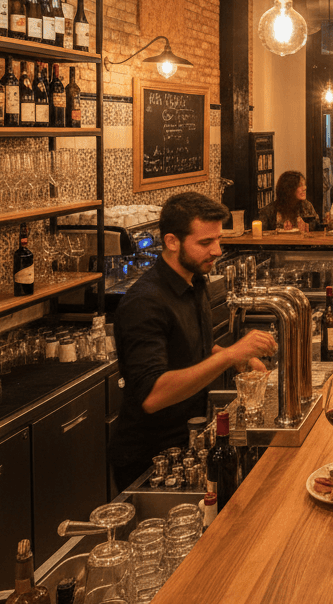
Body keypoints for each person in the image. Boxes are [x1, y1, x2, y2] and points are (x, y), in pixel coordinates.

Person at [109, 193, 276, 490]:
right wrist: (229, 355)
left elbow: (193, 348)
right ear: (172, 241)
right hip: (151, 459)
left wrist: (237, 358)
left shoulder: (194, 279)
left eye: (218, 240)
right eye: (205, 243)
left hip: (189, 439)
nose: (217, 250)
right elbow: (152, 396)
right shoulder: (145, 303)